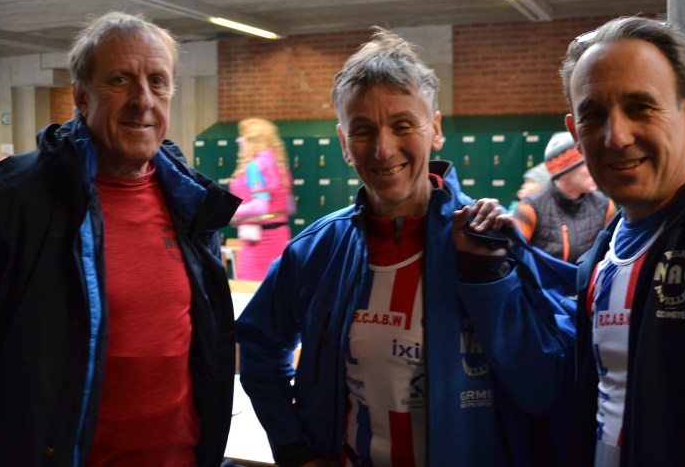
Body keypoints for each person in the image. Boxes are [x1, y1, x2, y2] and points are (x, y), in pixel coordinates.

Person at [236, 28, 576, 467]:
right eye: (362, 130)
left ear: (435, 130)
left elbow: (543, 389)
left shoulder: (489, 240)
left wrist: (489, 281)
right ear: (343, 143)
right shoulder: (316, 251)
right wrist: (294, 449)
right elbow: (259, 349)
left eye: (402, 125)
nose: (383, 149)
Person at [0, 12, 241, 466]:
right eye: (120, 80)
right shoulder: (14, 196)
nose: (143, 101)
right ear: (81, 97)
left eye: (158, 82)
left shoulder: (190, 202)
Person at [559, 16, 685, 466]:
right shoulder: (600, 257)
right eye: (594, 115)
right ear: (575, 134)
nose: (617, 136)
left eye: (640, 107)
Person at [513, 131, 615, 263]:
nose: (596, 169)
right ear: (565, 171)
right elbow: (514, 257)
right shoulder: (530, 208)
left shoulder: (605, 206)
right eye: (588, 163)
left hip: (587, 277)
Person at [229, 117, 294, 281]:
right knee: (278, 284)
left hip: (258, 243)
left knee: (252, 288)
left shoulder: (255, 166)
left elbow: (260, 206)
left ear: (253, 140)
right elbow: (290, 207)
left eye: (242, 136)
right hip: (280, 238)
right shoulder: (281, 168)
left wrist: (231, 211)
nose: (239, 140)